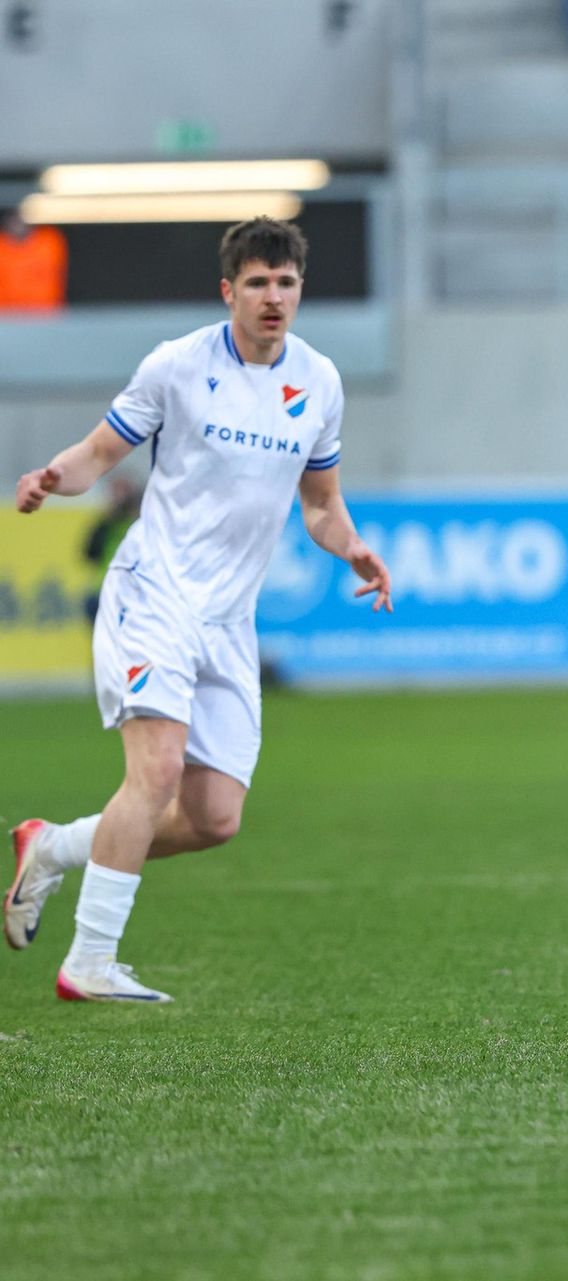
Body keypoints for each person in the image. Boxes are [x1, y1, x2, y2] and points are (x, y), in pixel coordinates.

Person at [8, 217, 393, 1004]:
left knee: (214, 817)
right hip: (155, 592)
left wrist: (349, 545)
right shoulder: (177, 366)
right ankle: (89, 961)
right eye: (257, 283)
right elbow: (100, 453)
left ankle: (52, 845)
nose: (273, 297)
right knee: (152, 774)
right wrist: (54, 476)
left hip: (228, 618)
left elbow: (320, 503)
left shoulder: (319, 382)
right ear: (229, 292)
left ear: (300, 291)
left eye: (285, 283)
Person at [82, 477, 143, 622]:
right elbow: (89, 553)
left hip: (134, 592)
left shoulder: (141, 524)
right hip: (103, 590)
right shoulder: (106, 525)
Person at [0, 206, 67, 312]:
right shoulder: (2, 245)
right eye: (14, 219)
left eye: (22, 218)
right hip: (6, 316)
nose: (18, 224)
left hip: (45, 313)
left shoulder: (49, 241)